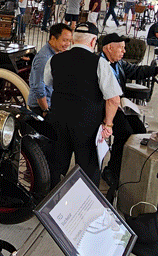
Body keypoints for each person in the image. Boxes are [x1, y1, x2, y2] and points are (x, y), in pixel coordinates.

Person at [98, 33, 158, 198]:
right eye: (120, 47)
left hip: (119, 106)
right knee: (125, 133)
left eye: (124, 48)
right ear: (108, 48)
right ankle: (111, 170)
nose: (124, 51)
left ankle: (123, 165)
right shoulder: (99, 63)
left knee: (139, 129)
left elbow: (135, 70)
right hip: (105, 108)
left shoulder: (118, 63)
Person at [43, 22, 123, 184]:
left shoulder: (55, 59)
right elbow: (113, 99)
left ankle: (49, 203)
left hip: (58, 120)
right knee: (87, 171)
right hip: (87, 125)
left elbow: (48, 82)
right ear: (93, 42)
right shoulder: (99, 63)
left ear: (73, 40)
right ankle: (84, 205)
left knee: (55, 167)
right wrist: (108, 124)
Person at [28, 23, 72, 116]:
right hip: (40, 107)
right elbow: (39, 87)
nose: (67, 44)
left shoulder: (55, 53)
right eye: (64, 40)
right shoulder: (44, 58)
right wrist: (46, 110)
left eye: (69, 41)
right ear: (53, 38)